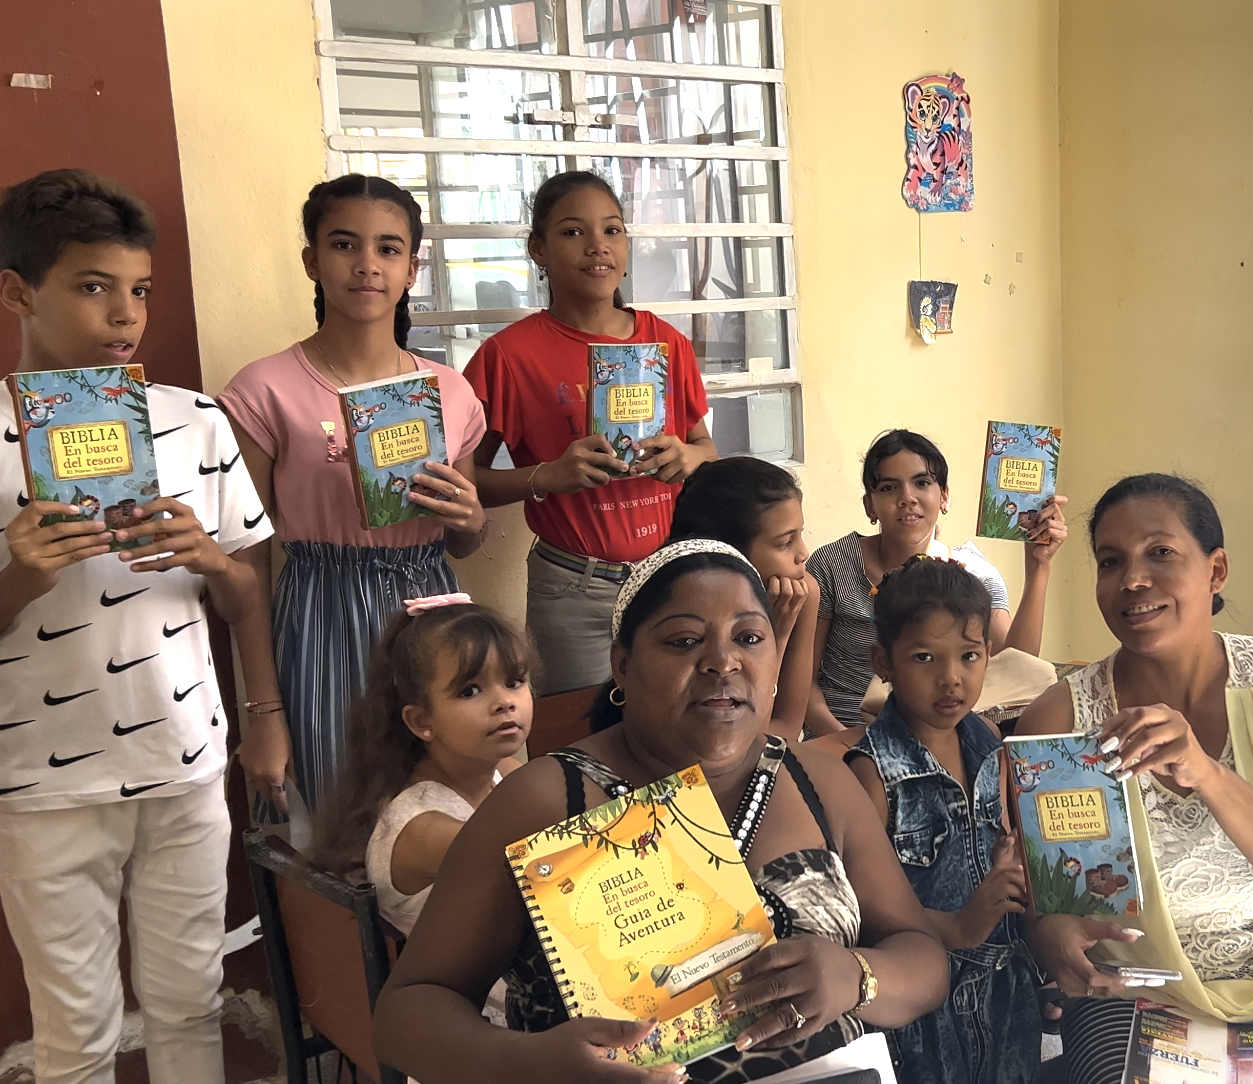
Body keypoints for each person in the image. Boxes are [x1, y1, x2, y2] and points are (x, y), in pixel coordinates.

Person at [370, 540, 949, 1083]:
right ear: (622, 664)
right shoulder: (545, 801)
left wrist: (857, 976)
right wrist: (532, 1064)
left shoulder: (818, 780)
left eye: (749, 637)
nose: (723, 661)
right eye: (684, 641)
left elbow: (924, 959)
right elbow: (404, 1016)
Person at [0, 169, 273, 1083]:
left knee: (190, 1006)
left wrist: (213, 561)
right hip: (41, 784)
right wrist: (19, 578)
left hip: (183, 762)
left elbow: (247, 595)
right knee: (75, 1034)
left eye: (140, 290)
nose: (125, 316)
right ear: (17, 292)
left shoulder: (195, 421)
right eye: (93, 287)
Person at [1015, 474, 1253, 1084]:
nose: (1133, 579)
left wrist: (1207, 772)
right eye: (1111, 561)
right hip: (1137, 997)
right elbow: (1054, 901)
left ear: (1217, 570)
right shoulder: (1061, 721)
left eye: (1160, 552)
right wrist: (1053, 932)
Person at [220, 175, 488, 821]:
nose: (367, 264)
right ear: (312, 260)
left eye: (388, 249)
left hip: (432, 610)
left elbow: (464, 541)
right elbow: (245, 558)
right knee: (338, 813)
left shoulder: (449, 391)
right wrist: (264, 711)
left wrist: (471, 518)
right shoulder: (263, 390)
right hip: (320, 611)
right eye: (344, 244)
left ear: (412, 269)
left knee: (445, 808)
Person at [465, 170, 715, 697]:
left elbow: (706, 449)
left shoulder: (666, 343)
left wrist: (688, 459)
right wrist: (546, 477)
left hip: (669, 575)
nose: (597, 246)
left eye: (612, 230)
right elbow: (466, 483)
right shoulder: (508, 356)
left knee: (673, 727)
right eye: (573, 231)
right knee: (579, 733)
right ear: (538, 248)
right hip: (572, 588)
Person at [844, 555, 1038, 1084]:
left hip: (1006, 995)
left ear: (988, 654)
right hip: (926, 1016)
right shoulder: (871, 773)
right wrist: (956, 927)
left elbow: (1001, 841)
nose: (951, 679)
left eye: (969, 656)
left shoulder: (989, 743)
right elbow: (861, 915)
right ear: (884, 661)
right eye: (924, 658)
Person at [809, 429, 1066, 730]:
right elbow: (801, 682)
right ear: (870, 506)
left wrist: (1039, 566)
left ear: (944, 496)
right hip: (839, 738)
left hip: (938, 741)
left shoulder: (973, 576)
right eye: (889, 487)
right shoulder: (832, 565)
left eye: (922, 483)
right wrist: (849, 745)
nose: (907, 498)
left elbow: (1018, 669)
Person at [308, 595, 532, 934]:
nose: (504, 702)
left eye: (514, 682)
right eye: (470, 691)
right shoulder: (425, 830)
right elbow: (545, 864)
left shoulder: (502, 771)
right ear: (421, 721)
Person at [668, 457, 836, 739]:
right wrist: (769, 635)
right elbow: (734, 737)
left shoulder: (801, 596)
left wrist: (777, 634)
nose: (803, 553)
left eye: (800, 534)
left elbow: (785, 729)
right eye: (785, 542)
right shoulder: (680, 611)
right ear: (729, 553)